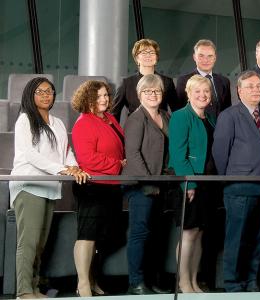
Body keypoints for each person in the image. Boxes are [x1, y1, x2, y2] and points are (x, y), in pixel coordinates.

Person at [10, 78, 88, 299]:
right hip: (29, 185)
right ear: (30, 94)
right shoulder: (25, 120)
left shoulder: (58, 122)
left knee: (40, 244)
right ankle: (24, 291)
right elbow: (30, 155)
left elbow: (65, 151)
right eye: (40, 91)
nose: (46, 95)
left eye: (50, 91)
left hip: (49, 187)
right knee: (29, 242)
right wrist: (63, 169)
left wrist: (72, 166)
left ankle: (34, 288)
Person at [211, 71, 260, 292]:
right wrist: (230, 180)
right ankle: (232, 284)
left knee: (258, 239)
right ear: (239, 90)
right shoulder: (229, 115)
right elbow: (220, 153)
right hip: (238, 188)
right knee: (236, 239)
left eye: (259, 86)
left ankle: (251, 281)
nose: (256, 90)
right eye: (250, 86)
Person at [71, 80, 127, 297]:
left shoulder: (109, 118)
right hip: (92, 187)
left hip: (111, 186)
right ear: (88, 99)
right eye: (98, 96)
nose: (104, 99)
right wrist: (117, 165)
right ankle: (83, 283)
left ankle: (92, 280)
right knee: (87, 236)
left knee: (103, 238)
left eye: (105, 95)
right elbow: (87, 159)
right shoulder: (84, 122)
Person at [122, 74, 172, 295]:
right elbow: (132, 154)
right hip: (140, 185)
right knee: (139, 234)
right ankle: (136, 282)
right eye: (148, 91)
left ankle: (152, 280)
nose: (153, 95)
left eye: (157, 91)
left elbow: (170, 150)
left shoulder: (165, 116)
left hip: (161, 184)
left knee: (157, 235)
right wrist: (149, 182)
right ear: (139, 94)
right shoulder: (136, 118)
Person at [168, 75, 217, 293]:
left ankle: (194, 281)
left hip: (208, 182)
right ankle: (183, 282)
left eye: (206, 91)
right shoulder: (180, 117)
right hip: (189, 182)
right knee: (188, 233)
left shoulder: (211, 118)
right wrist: (190, 184)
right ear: (188, 94)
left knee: (199, 234)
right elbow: (178, 155)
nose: (202, 95)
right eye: (197, 91)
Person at [112, 38, 179, 121]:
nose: (148, 55)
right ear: (137, 58)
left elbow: (177, 111)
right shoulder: (126, 83)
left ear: (157, 58)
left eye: (152, 52)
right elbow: (114, 114)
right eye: (143, 53)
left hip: (161, 129)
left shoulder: (167, 81)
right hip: (136, 129)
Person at [176, 39, 232, 117]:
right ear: (194, 57)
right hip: (196, 127)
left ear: (215, 58)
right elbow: (180, 111)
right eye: (201, 56)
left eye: (210, 56)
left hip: (221, 127)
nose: (206, 60)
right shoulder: (184, 81)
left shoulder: (224, 81)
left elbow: (228, 111)